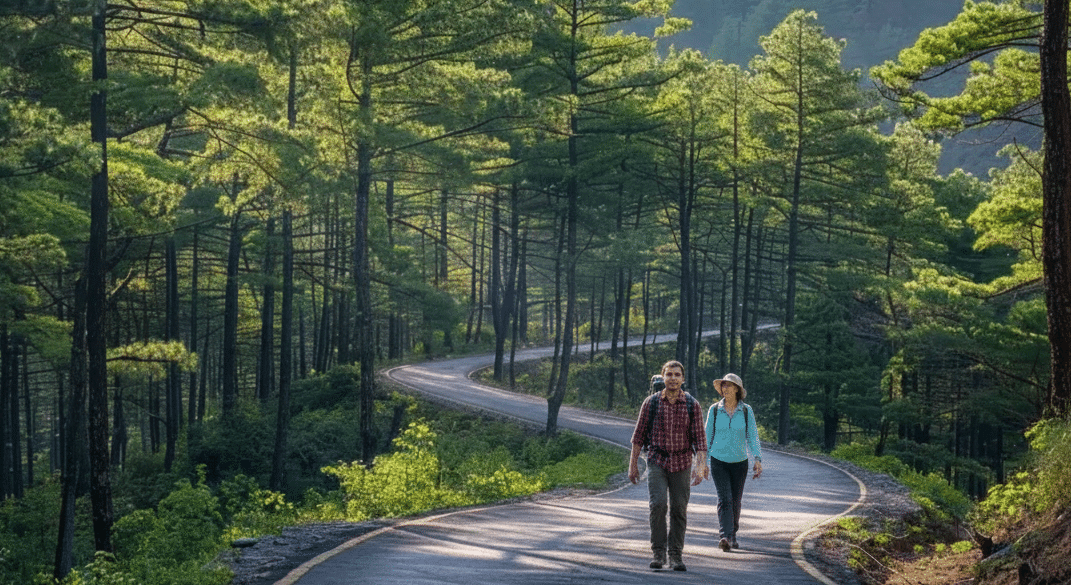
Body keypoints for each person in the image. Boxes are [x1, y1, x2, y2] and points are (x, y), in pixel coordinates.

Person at [629, 360, 707, 572]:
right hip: (657, 461)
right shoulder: (651, 403)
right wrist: (633, 465)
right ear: (663, 377)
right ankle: (658, 553)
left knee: (679, 509)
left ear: (683, 379)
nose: (673, 378)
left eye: (677, 375)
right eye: (669, 374)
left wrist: (700, 467)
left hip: (682, 463)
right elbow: (638, 437)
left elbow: (700, 440)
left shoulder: (692, 405)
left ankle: (675, 556)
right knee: (658, 504)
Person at [704, 372, 763, 552]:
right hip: (718, 461)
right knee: (724, 499)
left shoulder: (746, 411)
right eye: (723, 385)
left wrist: (757, 458)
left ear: (737, 389)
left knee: (736, 501)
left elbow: (753, 435)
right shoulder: (714, 410)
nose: (725, 388)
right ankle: (726, 536)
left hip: (739, 462)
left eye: (729, 385)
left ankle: (733, 534)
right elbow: (707, 436)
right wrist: (703, 462)